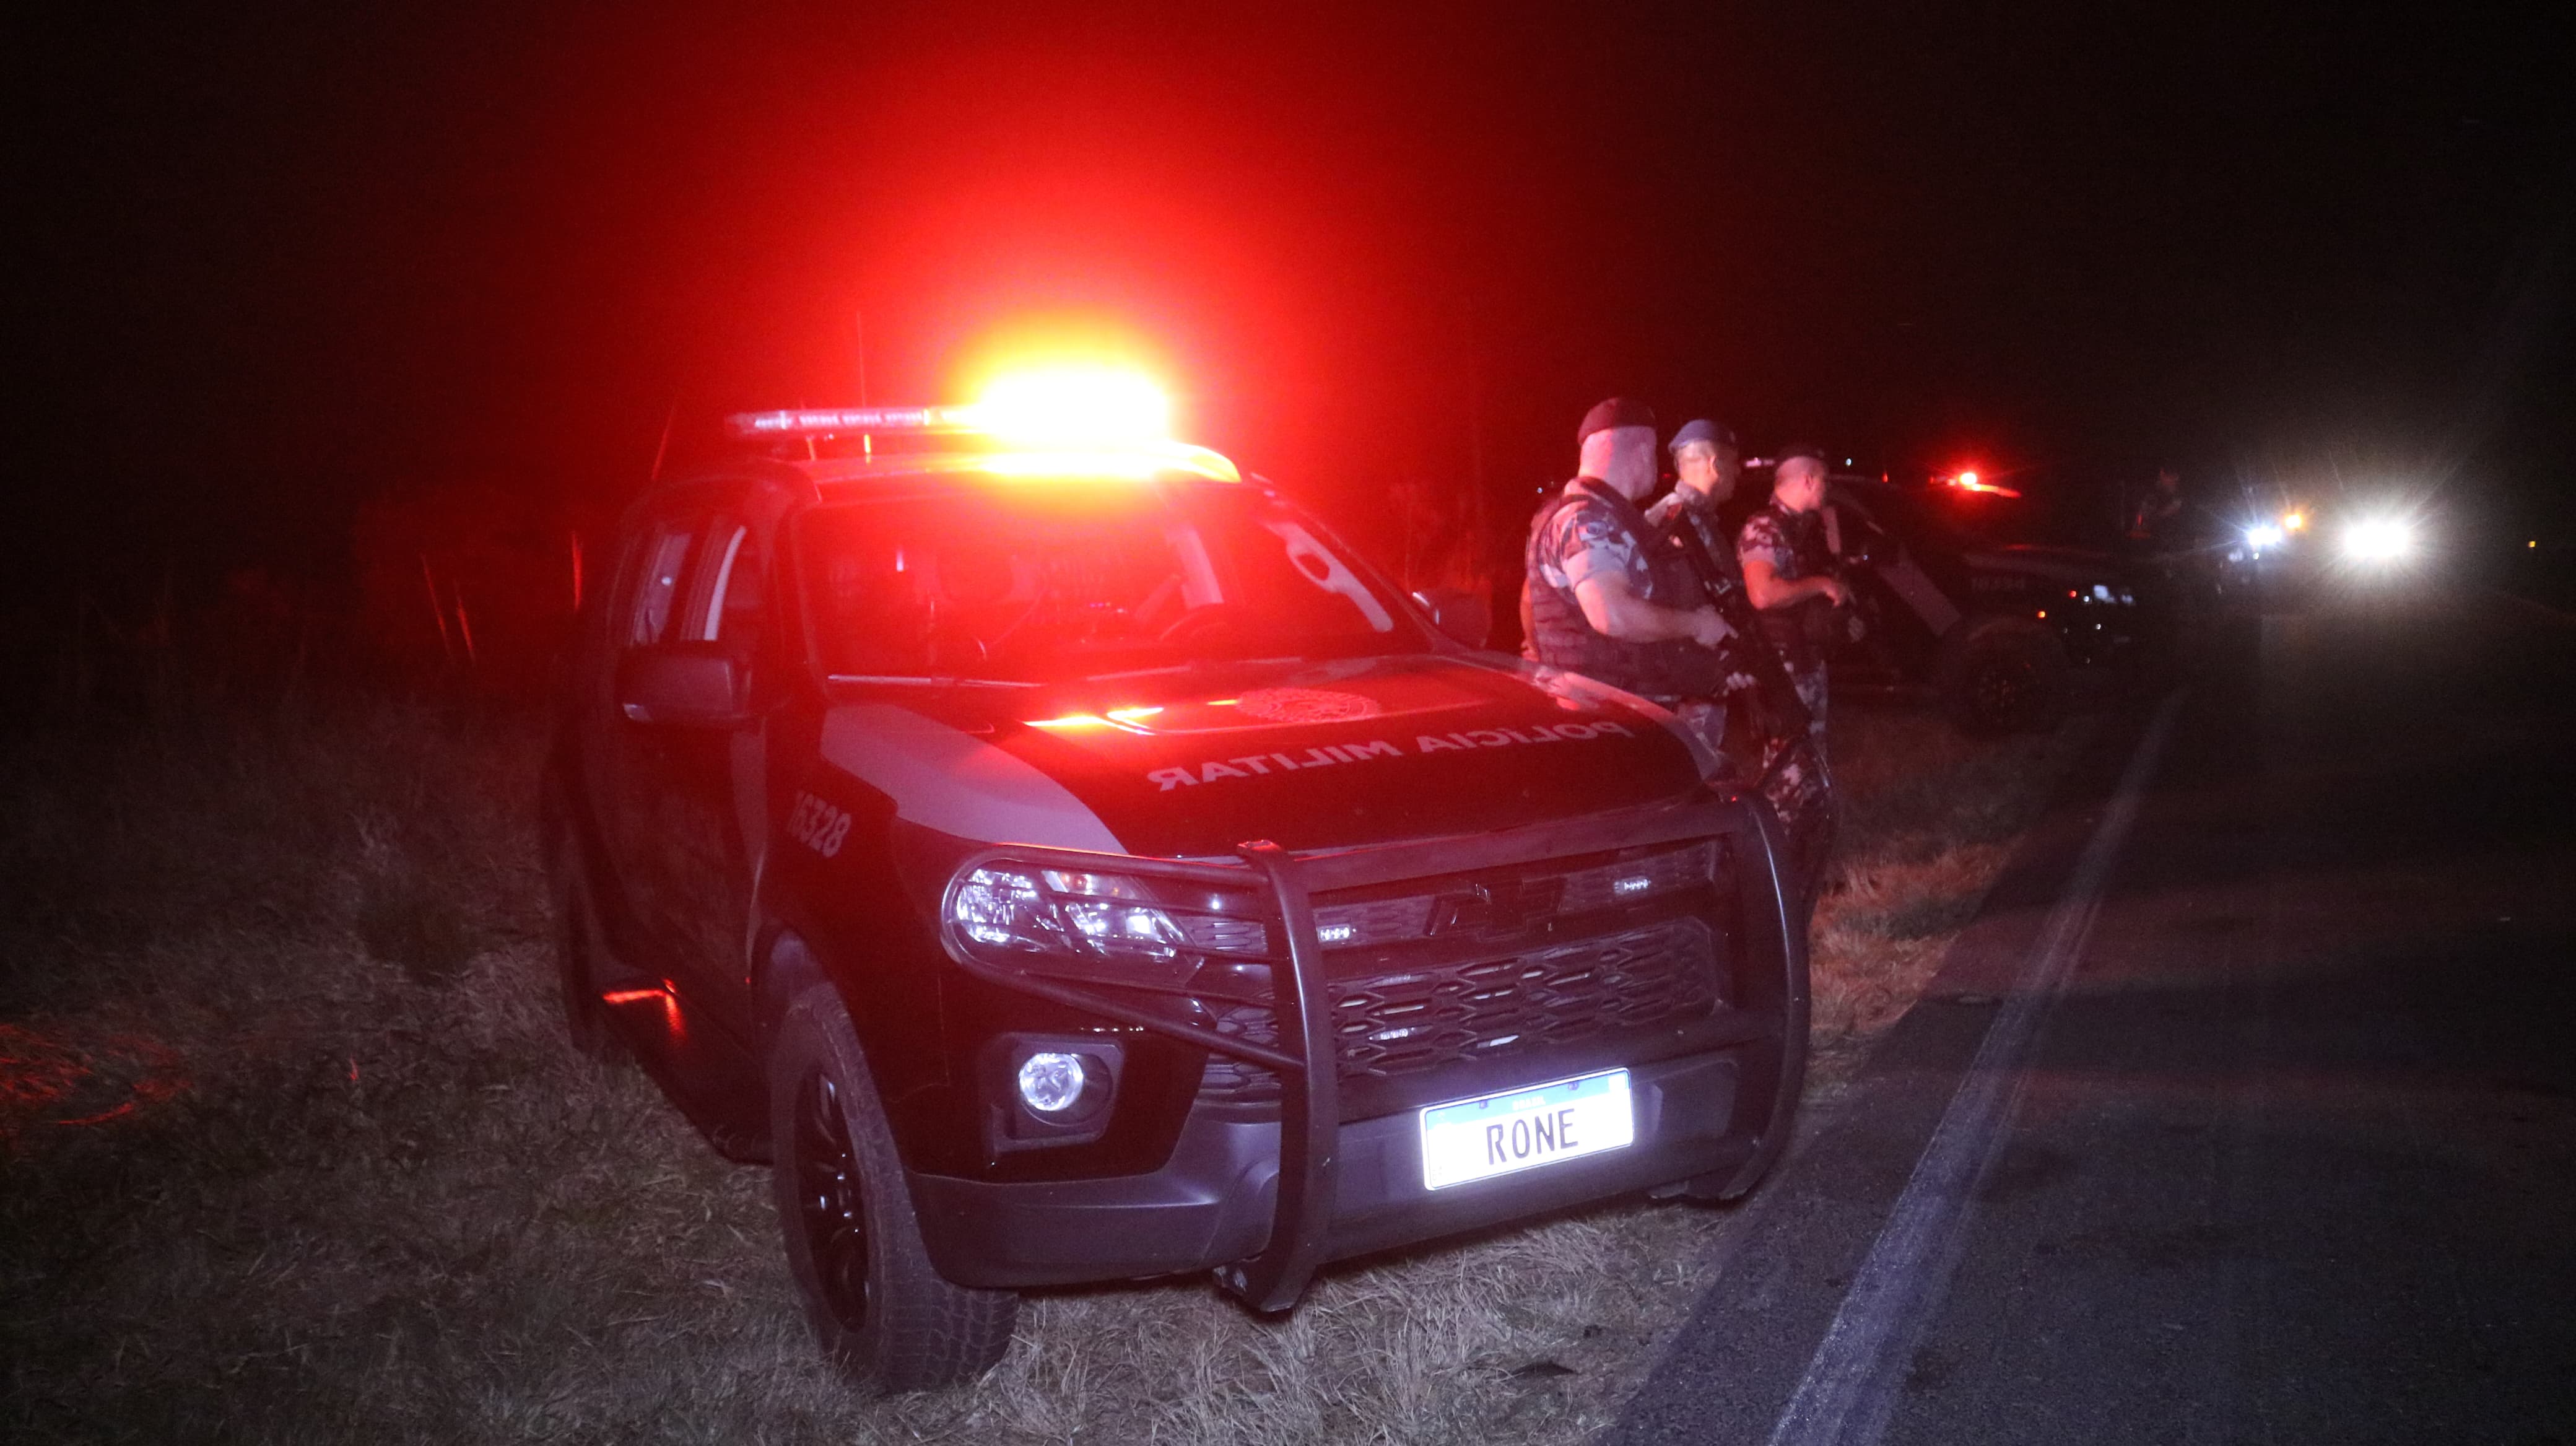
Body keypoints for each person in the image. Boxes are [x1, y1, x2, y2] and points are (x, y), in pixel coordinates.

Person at [1654, 421, 1833, 918]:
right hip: (1685, 692)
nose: (1738, 473)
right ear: (1715, 464)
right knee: (1685, 796)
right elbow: (1666, 615)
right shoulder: (1672, 521)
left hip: (1711, 683)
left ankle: (1740, 893)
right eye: (1733, 462)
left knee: (1707, 790)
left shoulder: (1702, 522)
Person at [1521, 399, 1733, 749]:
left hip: (1610, 718)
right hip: (1605, 723)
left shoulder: (1590, 517)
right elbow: (1612, 614)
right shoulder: (1587, 521)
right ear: (1641, 451)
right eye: (1654, 455)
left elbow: (1530, 600)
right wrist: (1696, 624)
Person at [1738, 445, 1848, 788]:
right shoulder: (1764, 528)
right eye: (1824, 481)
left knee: (1811, 755)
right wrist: (1819, 584)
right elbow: (1763, 594)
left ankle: (1807, 829)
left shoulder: (1806, 529)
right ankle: (1776, 835)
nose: (1828, 488)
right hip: (1781, 663)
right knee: (1786, 763)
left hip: (1806, 657)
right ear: (1809, 480)